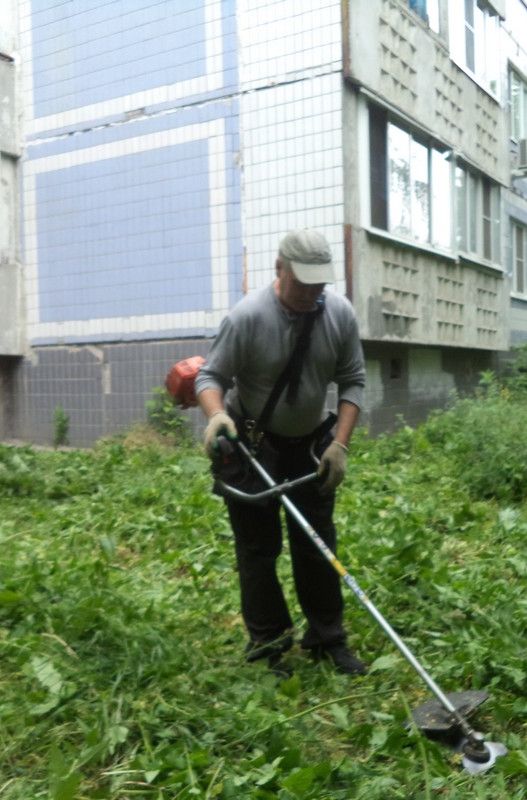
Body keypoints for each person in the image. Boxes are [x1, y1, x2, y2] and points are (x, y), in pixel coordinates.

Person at [195, 228, 367, 676]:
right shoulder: (247, 317)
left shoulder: (340, 315)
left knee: (317, 545)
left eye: (319, 284)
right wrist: (217, 418)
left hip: (309, 447)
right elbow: (210, 378)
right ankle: (267, 643)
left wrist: (339, 445)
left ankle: (327, 638)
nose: (312, 293)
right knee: (258, 550)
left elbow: (353, 381)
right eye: (302, 282)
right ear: (278, 268)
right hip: (252, 447)